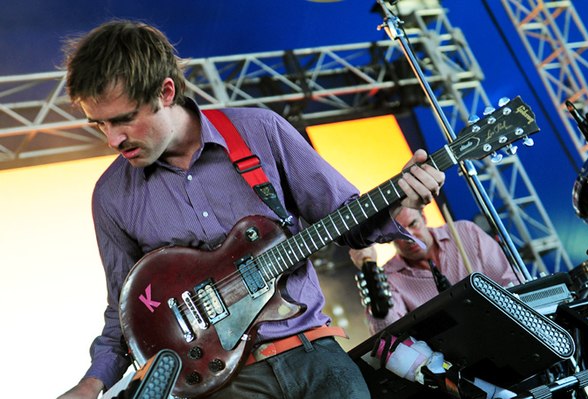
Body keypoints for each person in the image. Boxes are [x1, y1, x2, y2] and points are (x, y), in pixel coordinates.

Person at [57, 20, 445, 399]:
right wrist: (91, 385)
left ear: (166, 91)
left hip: (314, 355)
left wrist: (401, 198)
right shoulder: (111, 196)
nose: (112, 139)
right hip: (222, 385)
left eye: (123, 119)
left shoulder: (261, 130)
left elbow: (349, 221)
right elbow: (126, 311)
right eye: (99, 125)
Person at [349, 207, 522, 335]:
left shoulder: (464, 232)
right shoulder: (389, 277)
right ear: (387, 239)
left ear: (424, 217)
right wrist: (369, 268)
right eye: (399, 233)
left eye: (413, 224)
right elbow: (389, 334)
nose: (410, 237)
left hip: (505, 329)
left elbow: (509, 281)